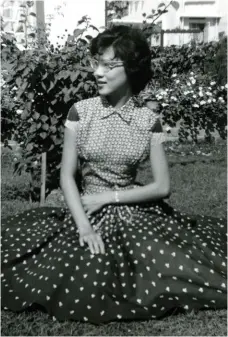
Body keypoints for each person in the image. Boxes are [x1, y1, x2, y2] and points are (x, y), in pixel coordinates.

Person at [1, 25, 227, 324]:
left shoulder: (149, 120)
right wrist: (83, 227)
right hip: (85, 211)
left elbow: (161, 186)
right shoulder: (80, 112)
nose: (98, 72)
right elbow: (67, 177)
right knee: (82, 268)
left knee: (183, 267)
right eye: (96, 63)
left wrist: (110, 197)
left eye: (109, 65)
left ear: (131, 69)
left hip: (134, 211)